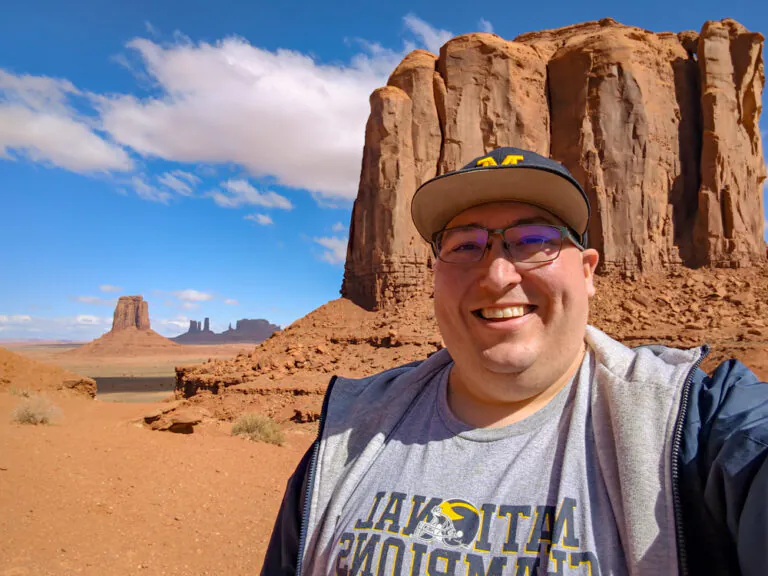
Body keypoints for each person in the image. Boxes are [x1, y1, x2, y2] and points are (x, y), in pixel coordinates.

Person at [262, 146, 768, 576]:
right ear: (434, 277)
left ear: (588, 272)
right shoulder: (346, 435)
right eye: (466, 245)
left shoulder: (700, 426)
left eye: (535, 242)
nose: (498, 274)